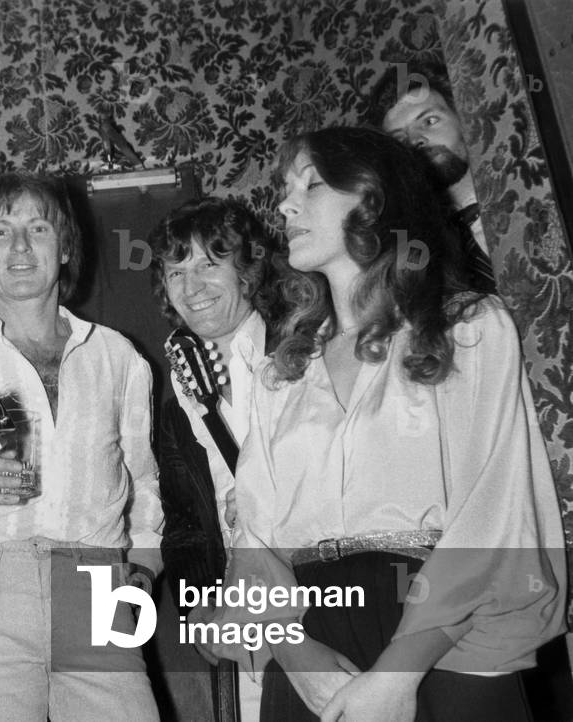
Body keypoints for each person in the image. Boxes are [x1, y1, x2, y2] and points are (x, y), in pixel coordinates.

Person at [200, 126, 565, 721]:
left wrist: (398, 675)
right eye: (286, 189)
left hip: (448, 640)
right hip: (310, 647)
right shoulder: (281, 374)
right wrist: (294, 654)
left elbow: (494, 513)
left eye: (312, 185)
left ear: (375, 199)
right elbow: (256, 541)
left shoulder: (468, 330)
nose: (286, 205)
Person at [0, 172, 164, 721]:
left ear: (64, 247)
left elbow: (144, 482)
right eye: (1, 232)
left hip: (94, 583)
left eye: (38, 228)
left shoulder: (119, 357)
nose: (20, 246)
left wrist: (140, 572)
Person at [147, 196, 280, 722]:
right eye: (176, 271)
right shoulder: (176, 402)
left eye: (208, 264)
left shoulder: (301, 355)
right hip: (237, 614)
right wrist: (197, 604)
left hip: (319, 595)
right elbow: (183, 521)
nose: (191, 286)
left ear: (247, 269)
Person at [366, 58, 496, 292]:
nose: (416, 140)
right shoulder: (417, 253)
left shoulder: (531, 186)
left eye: (429, 121)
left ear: (464, 118)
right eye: (400, 139)